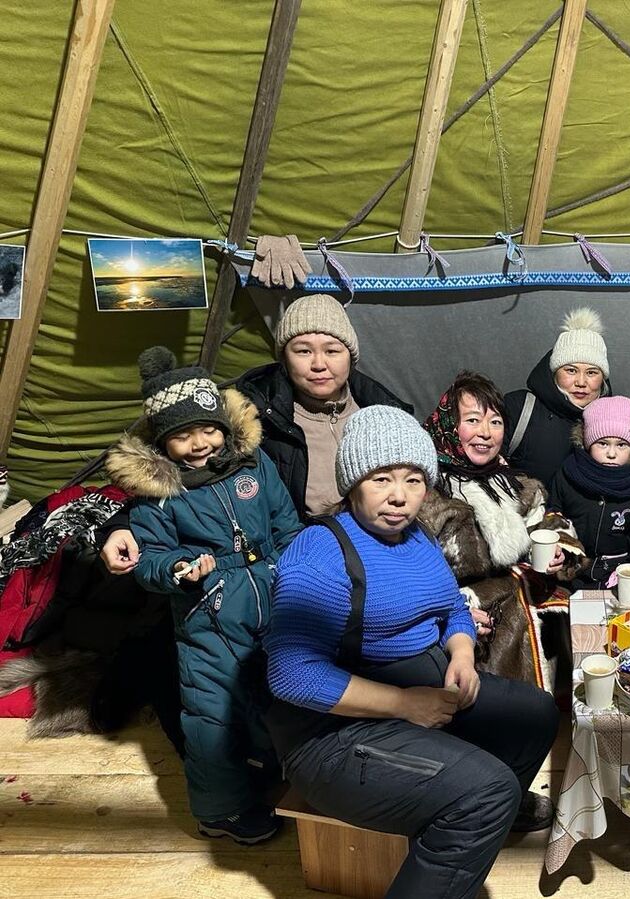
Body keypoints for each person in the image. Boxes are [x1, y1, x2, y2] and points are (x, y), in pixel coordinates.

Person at [264, 405, 559, 898]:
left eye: (414, 479)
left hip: (421, 692)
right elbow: (292, 675)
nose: (400, 496)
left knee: (535, 713)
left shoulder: (415, 536)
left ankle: (476, 824)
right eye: (381, 479)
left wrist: (462, 655)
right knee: (486, 792)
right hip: (334, 734)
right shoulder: (321, 552)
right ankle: (477, 810)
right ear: (352, 483)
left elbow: (453, 610)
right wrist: (405, 705)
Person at [105, 347, 303, 844]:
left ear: (223, 426)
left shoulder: (253, 467)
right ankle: (221, 813)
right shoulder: (160, 495)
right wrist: (178, 569)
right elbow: (149, 558)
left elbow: (285, 524)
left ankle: (269, 773)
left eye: (206, 430)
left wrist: (295, 570)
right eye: (180, 435)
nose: (197, 444)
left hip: (273, 595)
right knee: (211, 715)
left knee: (271, 694)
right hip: (207, 616)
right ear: (161, 442)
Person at [99, 293, 411, 573]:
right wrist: (120, 527)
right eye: (303, 351)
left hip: (378, 547)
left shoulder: (383, 413)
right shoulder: (250, 415)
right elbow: (163, 468)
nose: (319, 364)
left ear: (350, 356)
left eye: (332, 350)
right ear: (284, 358)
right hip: (296, 557)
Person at [420, 371, 579, 687]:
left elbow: (547, 520)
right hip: (471, 626)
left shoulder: (511, 481)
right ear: (449, 427)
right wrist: (455, 615)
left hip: (530, 608)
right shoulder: (427, 491)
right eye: (473, 420)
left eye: (495, 422)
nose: (486, 433)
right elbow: (413, 574)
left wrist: (561, 548)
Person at [547, 396, 630, 591]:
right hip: (569, 576)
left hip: (620, 579)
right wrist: (556, 553)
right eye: (602, 443)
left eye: (621, 445)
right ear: (587, 443)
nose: (612, 453)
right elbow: (553, 517)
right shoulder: (566, 476)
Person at [503, 307, 611, 486]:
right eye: (571, 370)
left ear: (603, 378)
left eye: (592, 372)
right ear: (554, 372)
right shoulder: (519, 407)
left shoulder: (615, 419)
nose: (581, 382)